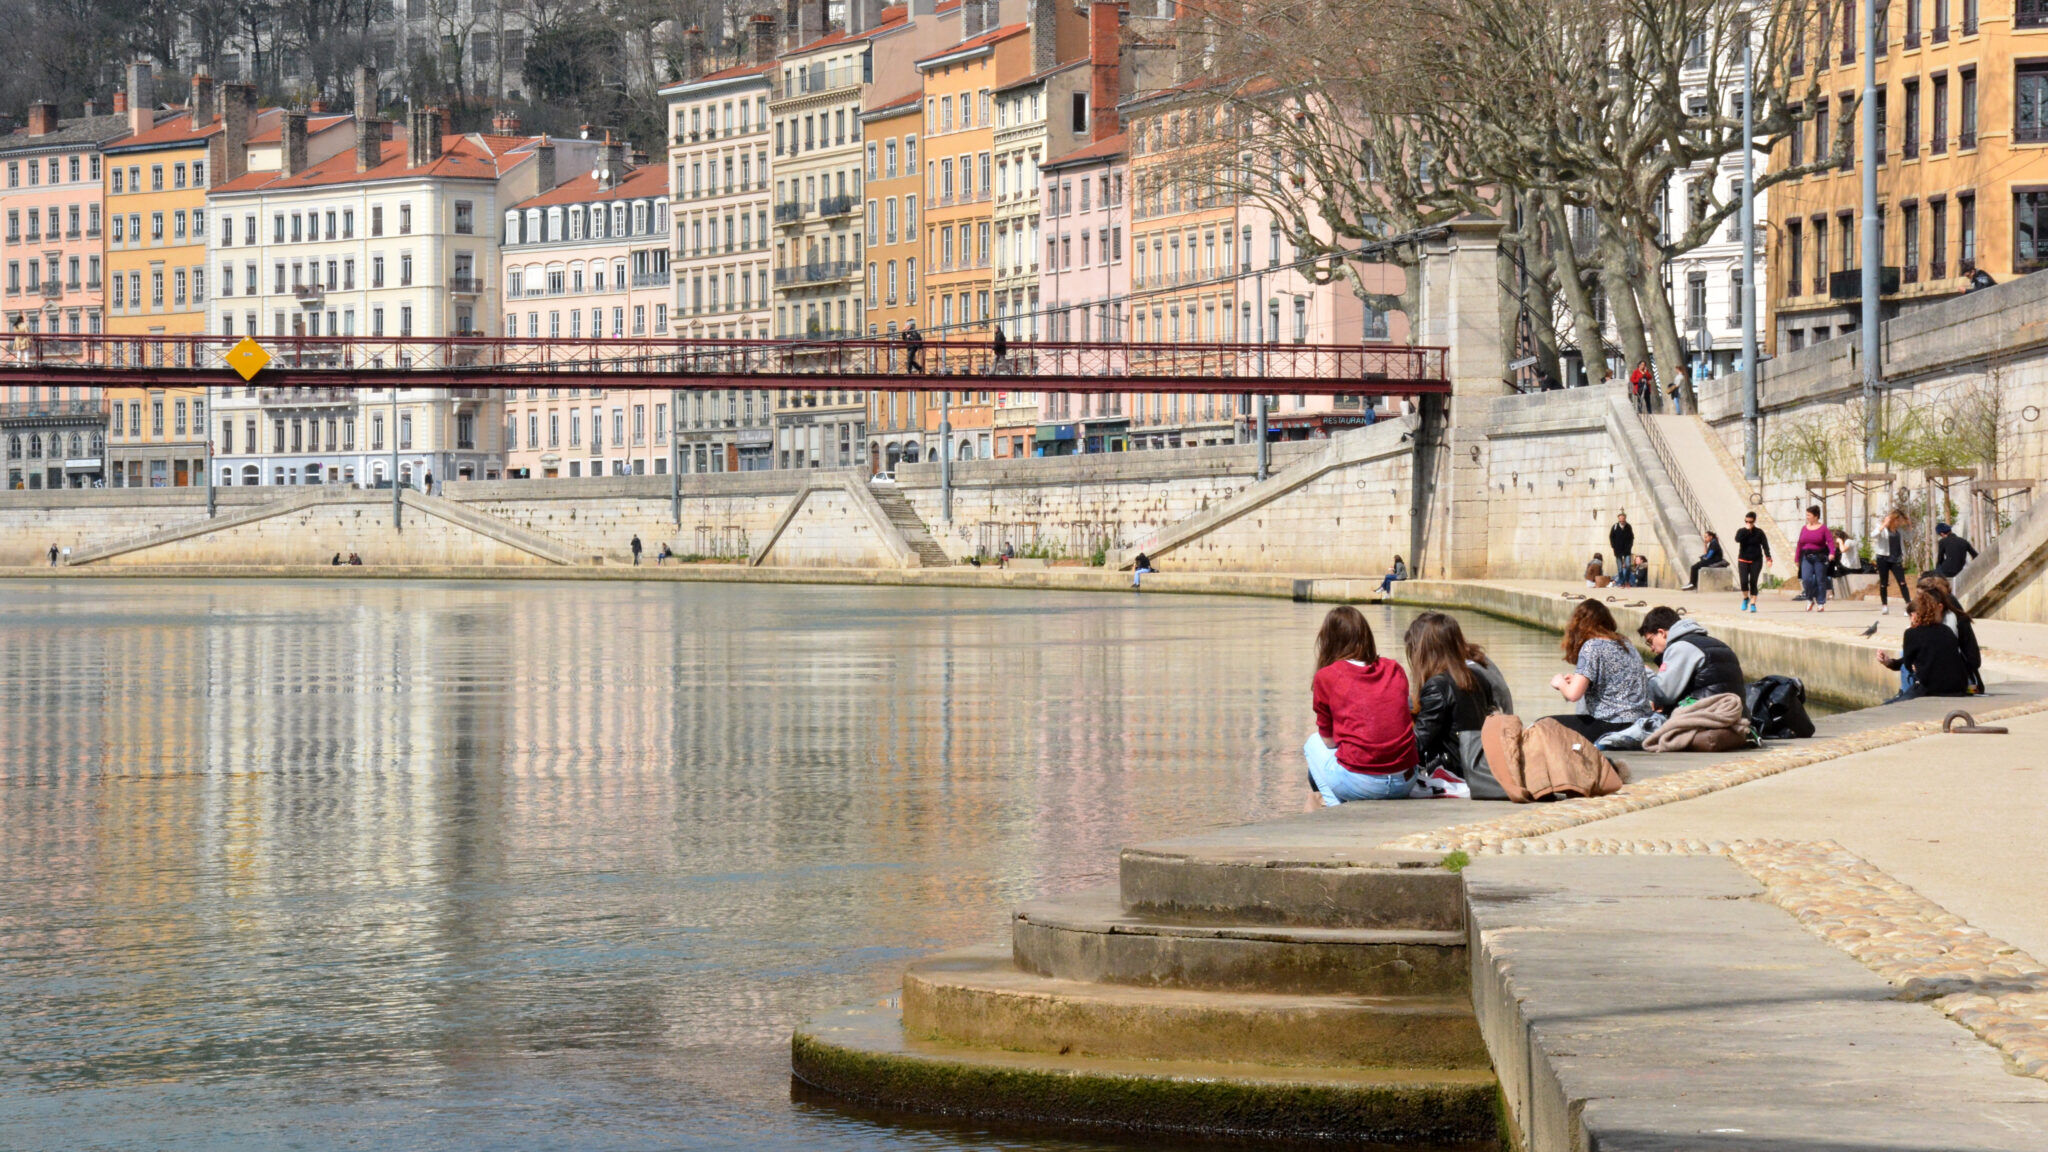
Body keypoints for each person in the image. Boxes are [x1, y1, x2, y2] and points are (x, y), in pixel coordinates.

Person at [1305, 606, 1418, 804]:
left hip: (1362, 784)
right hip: (1405, 780)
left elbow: (1328, 741)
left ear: (1328, 641)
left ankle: (1336, 807)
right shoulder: (1394, 668)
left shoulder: (1326, 676)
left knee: (1312, 744)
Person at [1406, 612, 1501, 795]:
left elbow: (1417, 745)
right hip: (1473, 764)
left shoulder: (1437, 686)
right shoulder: (1476, 677)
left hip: (1450, 769)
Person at [1547, 600, 1654, 740]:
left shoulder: (1592, 646)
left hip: (1611, 724)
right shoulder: (1626, 643)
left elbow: (1573, 695)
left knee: (1545, 724)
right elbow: (1617, 681)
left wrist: (1560, 682)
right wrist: (1579, 681)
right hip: (1639, 723)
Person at [1637, 607, 1745, 712]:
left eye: (1650, 641)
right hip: (1734, 715)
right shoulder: (1717, 643)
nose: (1651, 649)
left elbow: (1662, 694)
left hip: (1707, 720)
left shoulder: (1680, 647)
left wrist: (1645, 673)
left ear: (1661, 633)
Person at [1878, 592, 1972, 701]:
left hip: (1931, 690)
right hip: (1957, 688)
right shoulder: (1946, 630)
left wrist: (1915, 665)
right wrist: (1890, 662)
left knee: (1892, 704)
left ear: (1914, 615)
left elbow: (1907, 665)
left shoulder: (1911, 633)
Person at [1916, 573, 1984, 694]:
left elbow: (1973, 660)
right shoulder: (1954, 614)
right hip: (1962, 683)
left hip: (1963, 685)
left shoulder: (1950, 621)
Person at [1795, 505, 1839, 611]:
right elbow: (1800, 544)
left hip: (1819, 557)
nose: (1807, 517)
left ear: (1816, 516)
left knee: (1820, 580)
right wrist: (1797, 558)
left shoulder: (1823, 528)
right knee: (1806, 580)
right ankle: (1810, 599)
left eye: (1809, 515)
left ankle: (1820, 602)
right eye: (1807, 515)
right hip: (1806, 557)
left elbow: (1830, 541)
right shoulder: (1804, 528)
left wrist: (1832, 553)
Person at [1733, 511, 1771, 612]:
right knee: (1744, 581)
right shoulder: (1741, 531)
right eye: (1746, 521)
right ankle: (1746, 598)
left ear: (1754, 521)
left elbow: (1765, 546)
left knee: (1753, 581)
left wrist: (1768, 558)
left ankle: (1753, 603)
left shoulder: (1759, 532)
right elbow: (1737, 539)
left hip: (1756, 560)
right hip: (1743, 559)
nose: (1748, 523)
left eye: (1750, 522)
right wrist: (1746, 530)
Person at [1874, 510, 1911, 614]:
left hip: (1896, 559)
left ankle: (1908, 605)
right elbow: (1874, 535)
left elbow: (1909, 538)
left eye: (1900, 521)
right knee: (1883, 583)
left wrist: (1909, 526)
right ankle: (1884, 605)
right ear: (1893, 520)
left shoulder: (1899, 531)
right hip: (1883, 558)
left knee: (1902, 582)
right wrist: (1883, 525)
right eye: (1897, 521)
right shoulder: (1882, 528)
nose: (1899, 523)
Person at [1609, 513, 1635, 584]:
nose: (1622, 522)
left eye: (1623, 520)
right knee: (1620, 567)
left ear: (1625, 519)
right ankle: (1621, 581)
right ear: (1618, 520)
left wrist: (1630, 545)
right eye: (1620, 520)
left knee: (1628, 565)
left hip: (1627, 549)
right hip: (1618, 550)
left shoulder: (1628, 526)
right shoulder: (1615, 526)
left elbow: (1632, 537)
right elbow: (1611, 537)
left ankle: (1627, 580)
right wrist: (1613, 546)